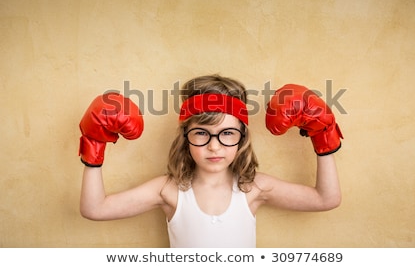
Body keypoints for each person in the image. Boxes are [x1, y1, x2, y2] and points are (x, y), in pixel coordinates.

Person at [78, 74, 342, 248]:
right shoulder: (168, 189)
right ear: (185, 136)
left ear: (242, 137)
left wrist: (323, 137)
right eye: (202, 133)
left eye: (227, 133)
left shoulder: (253, 188)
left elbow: (326, 199)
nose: (214, 146)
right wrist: (94, 146)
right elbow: (95, 209)